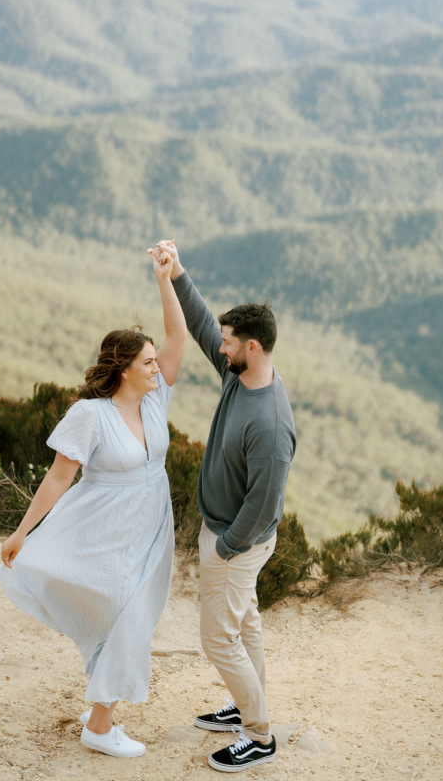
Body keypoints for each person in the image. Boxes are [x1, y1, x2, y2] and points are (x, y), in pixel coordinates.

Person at [0, 245, 186, 760]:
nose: (156, 366)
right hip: (103, 527)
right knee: (127, 616)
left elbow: (177, 336)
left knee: (134, 613)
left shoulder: (154, 398)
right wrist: (22, 532)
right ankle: (100, 727)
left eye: (153, 362)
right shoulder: (89, 415)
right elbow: (58, 480)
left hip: (151, 527)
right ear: (123, 368)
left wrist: (166, 277)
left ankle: (100, 704)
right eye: (146, 362)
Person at [155, 239, 296, 774]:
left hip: (238, 542)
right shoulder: (239, 374)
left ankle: (258, 735)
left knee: (217, 637)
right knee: (248, 624)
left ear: (253, 347)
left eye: (231, 342)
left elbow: (265, 503)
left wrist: (226, 549)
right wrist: (176, 273)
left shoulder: (270, 423)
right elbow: (202, 328)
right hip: (228, 535)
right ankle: (245, 709)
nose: (222, 347)